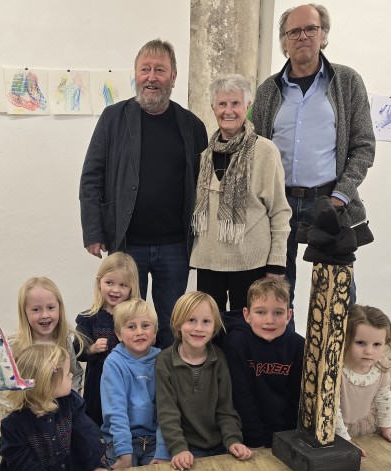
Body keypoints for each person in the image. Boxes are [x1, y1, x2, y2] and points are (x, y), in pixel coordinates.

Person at [80, 39, 209, 348]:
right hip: (127, 245)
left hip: (175, 246)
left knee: (170, 326)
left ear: (174, 77)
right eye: (145, 69)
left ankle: (163, 392)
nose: (152, 77)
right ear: (135, 74)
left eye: (160, 70)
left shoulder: (192, 126)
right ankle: (129, 388)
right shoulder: (113, 118)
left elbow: (205, 190)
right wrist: (93, 231)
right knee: (127, 326)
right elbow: (91, 177)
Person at [249, 4, 375, 307]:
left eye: (310, 29)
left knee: (337, 294)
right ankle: (282, 354)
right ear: (283, 41)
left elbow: (364, 146)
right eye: (293, 31)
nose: (302, 36)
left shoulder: (347, 82)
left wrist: (340, 197)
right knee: (276, 290)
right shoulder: (268, 90)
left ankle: (335, 354)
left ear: (324, 35)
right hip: (279, 204)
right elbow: (254, 147)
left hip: (329, 202)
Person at [190, 74, 291, 312]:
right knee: (210, 330)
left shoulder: (265, 151)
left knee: (245, 331)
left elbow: (279, 210)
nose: (228, 111)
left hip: (251, 262)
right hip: (208, 261)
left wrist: (276, 262)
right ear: (214, 108)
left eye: (235, 103)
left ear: (247, 106)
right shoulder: (204, 156)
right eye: (222, 104)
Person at [0, 344, 117, 471]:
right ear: (47, 384)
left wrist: (96, 465)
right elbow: (22, 462)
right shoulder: (14, 425)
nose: (72, 375)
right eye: (67, 374)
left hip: (69, 470)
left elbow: (85, 436)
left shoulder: (71, 402)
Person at [155, 291, 253, 471]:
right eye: (191, 320)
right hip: (187, 447)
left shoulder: (220, 358)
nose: (198, 328)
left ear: (214, 325)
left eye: (206, 321)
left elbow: (226, 408)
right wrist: (178, 448)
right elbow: (167, 411)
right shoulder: (164, 361)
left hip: (221, 444)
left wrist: (233, 440)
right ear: (178, 323)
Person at [223, 278, 304, 448]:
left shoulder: (298, 346)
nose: (269, 320)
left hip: (286, 435)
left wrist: (287, 438)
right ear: (247, 315)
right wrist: (256, 440)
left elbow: (296, 398)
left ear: (289, 315)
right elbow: (241, 396)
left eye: (278, 313)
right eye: (260, 312)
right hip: (247, 437)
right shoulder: (237, 342)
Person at [335, 304, 391, 456]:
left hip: (366, 421)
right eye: (360, 343)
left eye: (377, 344)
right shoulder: (337, 368)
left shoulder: (380, 363)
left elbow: (383, 395)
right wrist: (346, 442)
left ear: (386, 343)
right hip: (336, 425)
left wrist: (386, 427)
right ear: (345, 339)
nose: (369, 351)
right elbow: (333, 411)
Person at [100, 298, 170, 468]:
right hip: (120, 440)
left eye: (145, 326)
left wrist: (162, 450)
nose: (139, 332)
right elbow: (116, 412)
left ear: (155, 332)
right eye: (131, 327)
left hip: (155, 440)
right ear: (118, 334)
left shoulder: (162, 360)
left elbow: (166, 410)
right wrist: (124, 454)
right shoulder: (114, 363)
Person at [76, 252, 141, 426]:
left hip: (128, 380)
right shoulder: (89, 318)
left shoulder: (136, 317)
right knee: (96, 422)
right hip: (98, 382)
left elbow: (148, 344)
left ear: (131, 288)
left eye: (123, 285)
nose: (115, 290)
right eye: (109, 282)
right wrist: (92, 349)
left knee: (125, 419)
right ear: (99, 283)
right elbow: (78, 351)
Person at [8, 277, 84, 394]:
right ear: (24, 312)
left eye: (50, 307)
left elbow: (75, 374)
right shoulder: (15, 346)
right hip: (29, 410)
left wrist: (72, 402)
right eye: (36, 309)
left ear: (59, 307)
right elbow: (7, 388)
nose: (44, 315)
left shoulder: (65, 341)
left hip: (63, 410)